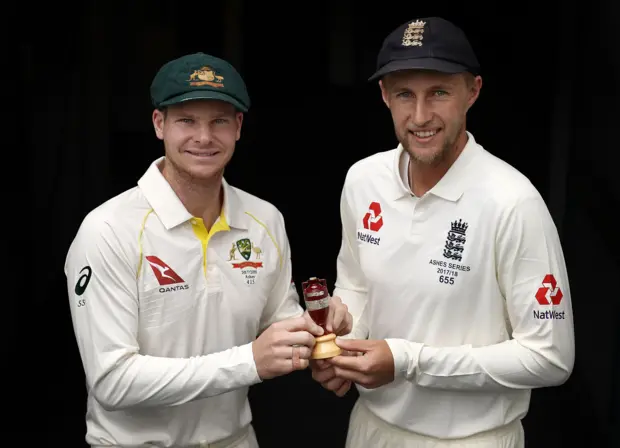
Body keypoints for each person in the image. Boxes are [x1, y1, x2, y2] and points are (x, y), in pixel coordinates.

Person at [64, 52, 353, 448]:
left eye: (218, 120)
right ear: (158, 124)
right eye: (187, 120)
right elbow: (112, 381)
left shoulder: (264, 219)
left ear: (238, 127)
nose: (204, 137)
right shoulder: (109, 229)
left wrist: (319, 333)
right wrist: (249, 362)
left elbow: (276, 324)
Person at [310, 17, 575, 448]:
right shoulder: (363, 180)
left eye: (438, 92)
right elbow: (356, 287)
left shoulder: (512, 201)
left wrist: (409, 362)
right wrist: (343, 343)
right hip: (370, 427)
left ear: (472, 91)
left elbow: (550, 358)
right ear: (384, 96)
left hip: (473, 438)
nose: (420, 116)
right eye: (404, 94)